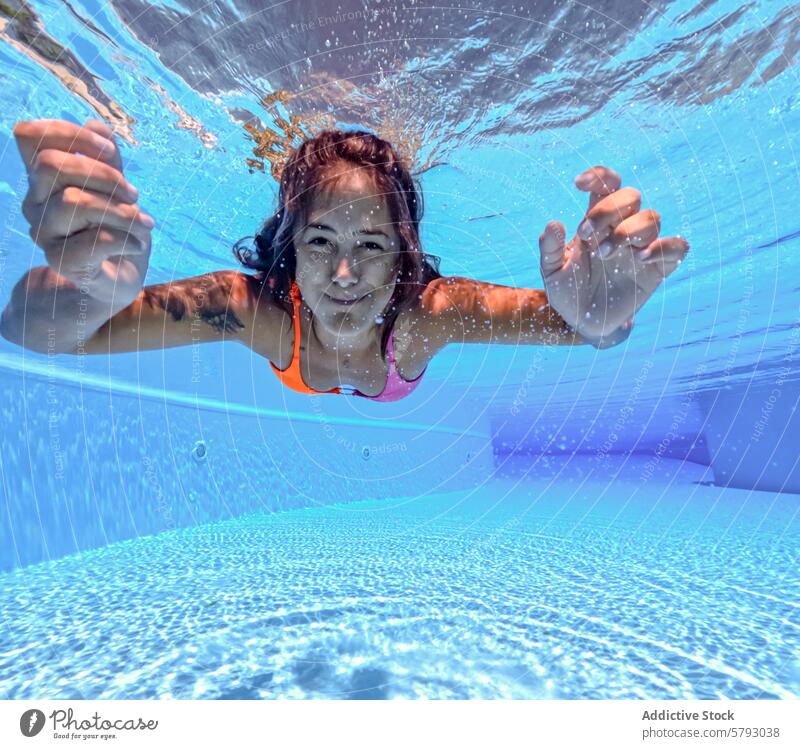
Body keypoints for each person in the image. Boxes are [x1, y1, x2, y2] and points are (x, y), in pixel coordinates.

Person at [1, 119, 689, 402]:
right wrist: (89, 291)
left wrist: (600, 318)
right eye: (321, 242)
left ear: (402, 259)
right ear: (289, 251)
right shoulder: (256, 311)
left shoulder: (426, 316)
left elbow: (583, 324)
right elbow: (32, 330)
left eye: (371, 245)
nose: (344, 275)